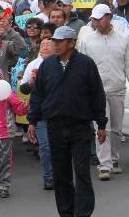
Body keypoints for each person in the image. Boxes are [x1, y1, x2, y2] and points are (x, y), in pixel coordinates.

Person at [27, 26, 107, 217]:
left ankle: (83, 212)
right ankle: (66, 212)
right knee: (61, 175)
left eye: (59, 41)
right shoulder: (47, 65)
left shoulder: (86, 64)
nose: (55, 45)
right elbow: (38, 95)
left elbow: (97, 94)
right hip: (54, 127)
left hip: (80, 127)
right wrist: (32, 121)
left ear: (71, 43)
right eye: (53, 41)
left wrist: (101, 124)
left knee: (82, 173)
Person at [78, 5, 129, 181]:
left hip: (117, 89)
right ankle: (104, 165)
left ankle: (113, 160)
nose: (96, 22)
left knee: (116, 129)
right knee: (101, 127)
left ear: (109, 17)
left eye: (100, 18)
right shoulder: (87, 40)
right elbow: (82, 68)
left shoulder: (123, 40)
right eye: (94, 19)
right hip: (96, 92)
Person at [0, 67, 29, 198]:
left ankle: (4, 185)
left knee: (4, 159)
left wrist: (24, 106)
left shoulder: (7, 93)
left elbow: (18, 108)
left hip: (5, 131)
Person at [19, 39, 55, 190]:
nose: (45, 47)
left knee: (59, 146)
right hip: (41, 114)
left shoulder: (62, 64)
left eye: (48, 44)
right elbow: (24, 89)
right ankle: (49, 177)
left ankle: (61, 174)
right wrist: (31, 83)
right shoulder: (33, 65)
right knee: (45, 147)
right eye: (42, 45)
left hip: (59, 113)